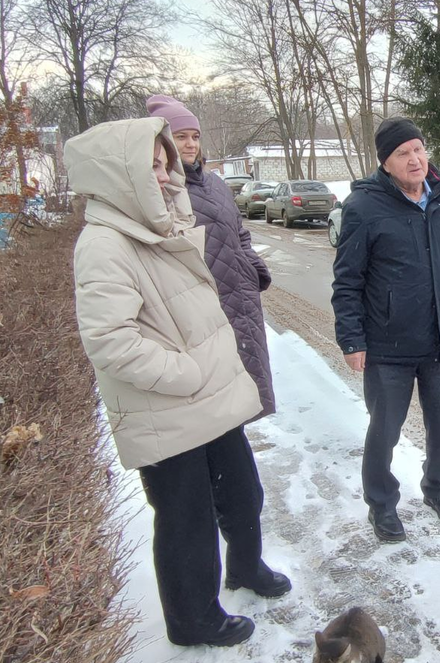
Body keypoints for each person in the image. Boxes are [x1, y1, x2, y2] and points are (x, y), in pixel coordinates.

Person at [68, 118, 276, 647]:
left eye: (167, 165)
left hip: (207, 398)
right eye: (152, 166)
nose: (166, 176)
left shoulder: (160, 225)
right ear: (118, 176)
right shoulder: (105, 243)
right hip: (165, 405)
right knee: (187, 521)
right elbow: (109, 340)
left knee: (242, 492)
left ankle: (246, 568)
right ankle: (192, 620)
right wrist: (183, 373)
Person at [144, 95, 290, 601]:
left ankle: (246, 565)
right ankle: (207, 592)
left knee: (241, 481)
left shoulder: (215, 186)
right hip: (194, 346)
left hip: (234, 327)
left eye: (192, 135)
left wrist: (255, 267)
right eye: (177, 137)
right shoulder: (155, 195)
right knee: (198, 490)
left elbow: (240, 233)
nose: (187, 144)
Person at [332, 117, 440, 543]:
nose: (415, 159)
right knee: (385, 429)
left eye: (419, 149)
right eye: (402, 153)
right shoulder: (364, 208)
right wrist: (351, 338)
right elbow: (348, 279)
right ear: (385, 163)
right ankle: (381, 504)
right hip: (389, 344)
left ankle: (437, 490)